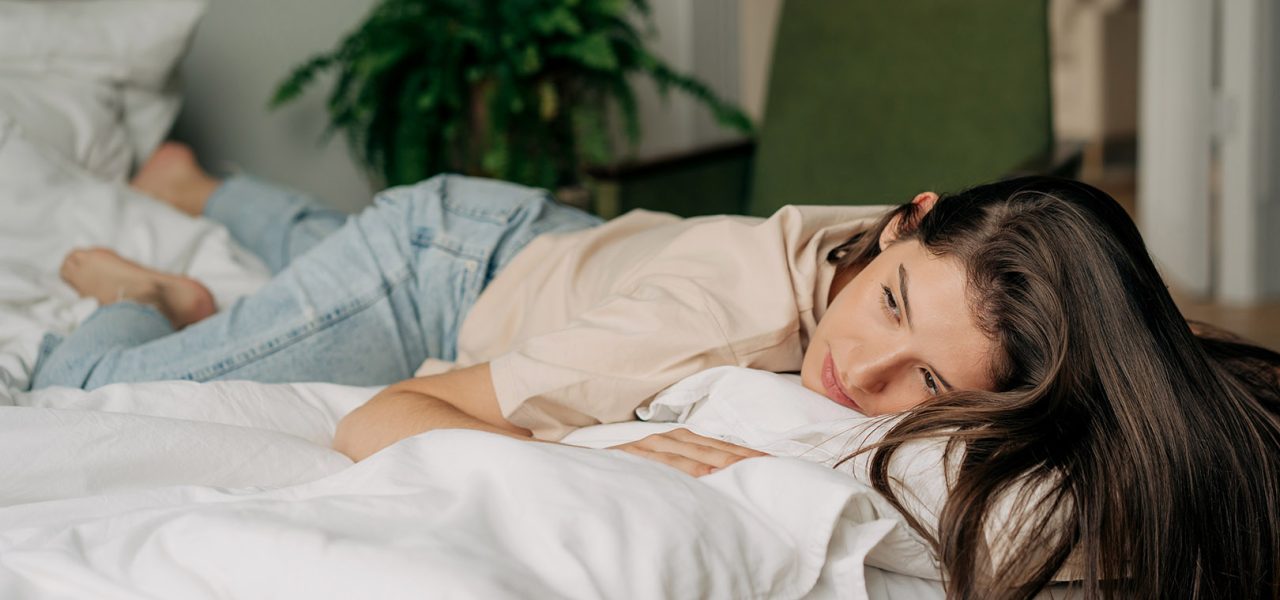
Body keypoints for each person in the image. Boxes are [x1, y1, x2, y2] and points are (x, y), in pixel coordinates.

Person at [31, 142, 1280, 598]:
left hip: (568, 245)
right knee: (86, 393)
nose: (861, 371)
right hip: (448, 268)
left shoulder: (980, 262)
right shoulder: (713, 317)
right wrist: (606, 450)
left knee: (301, 262)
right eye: (887, 304)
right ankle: (135, 282)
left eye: (927, 385)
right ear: (906, 215)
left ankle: (205, 190)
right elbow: (390, 413)